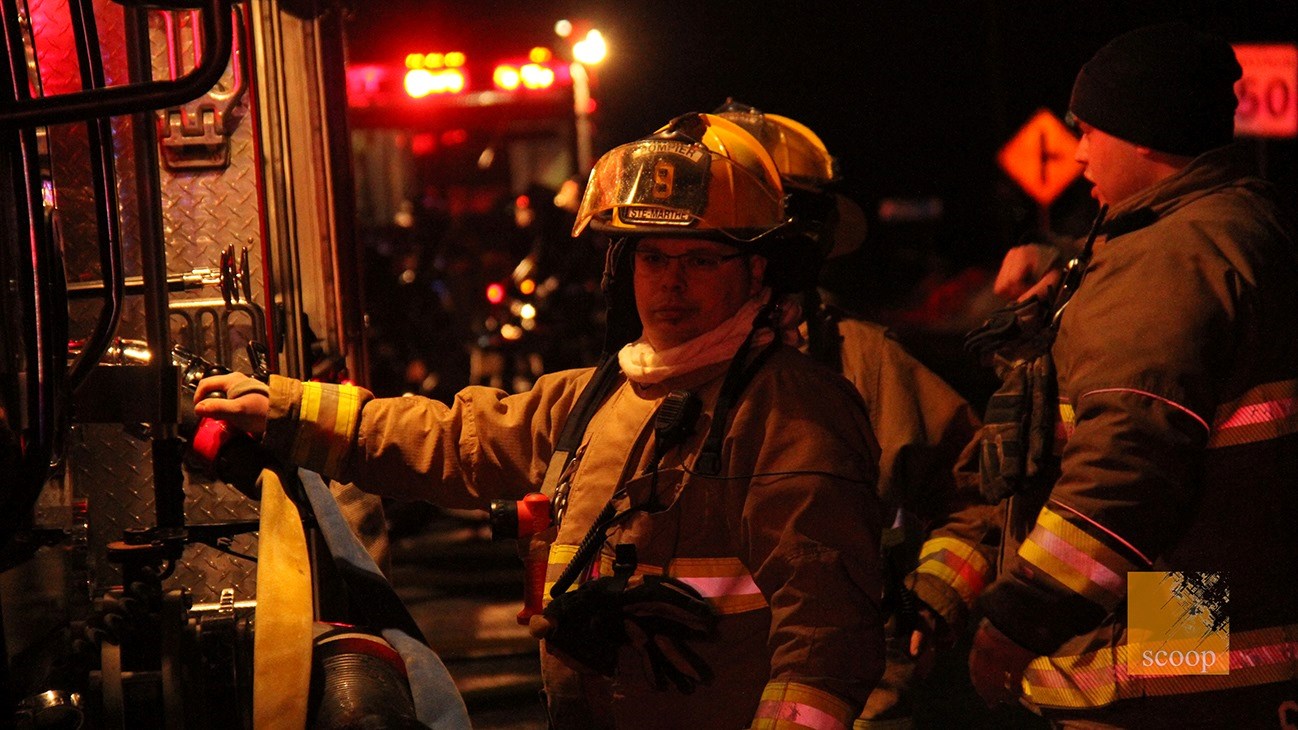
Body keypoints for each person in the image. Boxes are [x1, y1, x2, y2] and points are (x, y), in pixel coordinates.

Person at [194, 112, 887, 729]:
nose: (671, 284)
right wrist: (283, 408)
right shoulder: (598, 395)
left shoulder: (791, 411)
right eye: (653, 259)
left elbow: (824, 642)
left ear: (757, 270)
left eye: (700, 260)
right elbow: (449, 443)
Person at [956, 22, 1298, 727]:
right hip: (1207, 602)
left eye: (1089, 129)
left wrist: (1019, 624)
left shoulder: (1171, 259)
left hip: (1172, 650)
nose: (1077, 150)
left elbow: (1130, 460)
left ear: (1144, 135)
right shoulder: (1232, 224)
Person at [717, 102, 988, 730]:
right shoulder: (647, 380)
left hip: (850, 702)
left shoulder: (865, 364)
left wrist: (932, 597)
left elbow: (976, 492)